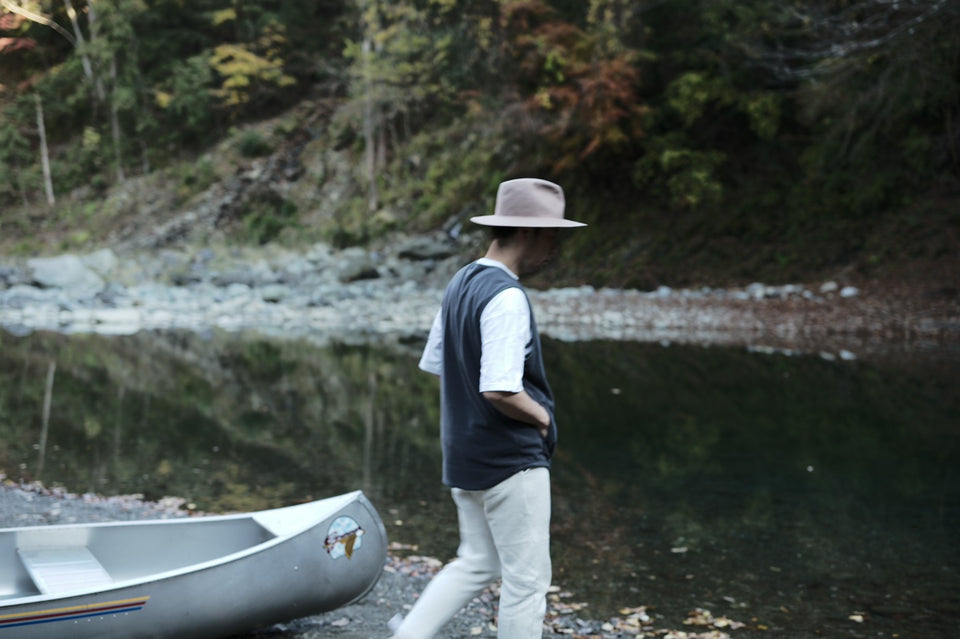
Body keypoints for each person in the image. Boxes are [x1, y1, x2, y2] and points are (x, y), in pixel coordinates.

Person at [390, 178, 587, 639]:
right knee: (527, 582)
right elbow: (499, 390)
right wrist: (542, 417)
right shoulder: (506, 296)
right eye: (551, 235)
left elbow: (438, 365)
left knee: (477, 562)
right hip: (510, 463)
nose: (554, 248)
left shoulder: (460, 282)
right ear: (526, 232)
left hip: (465, 455)